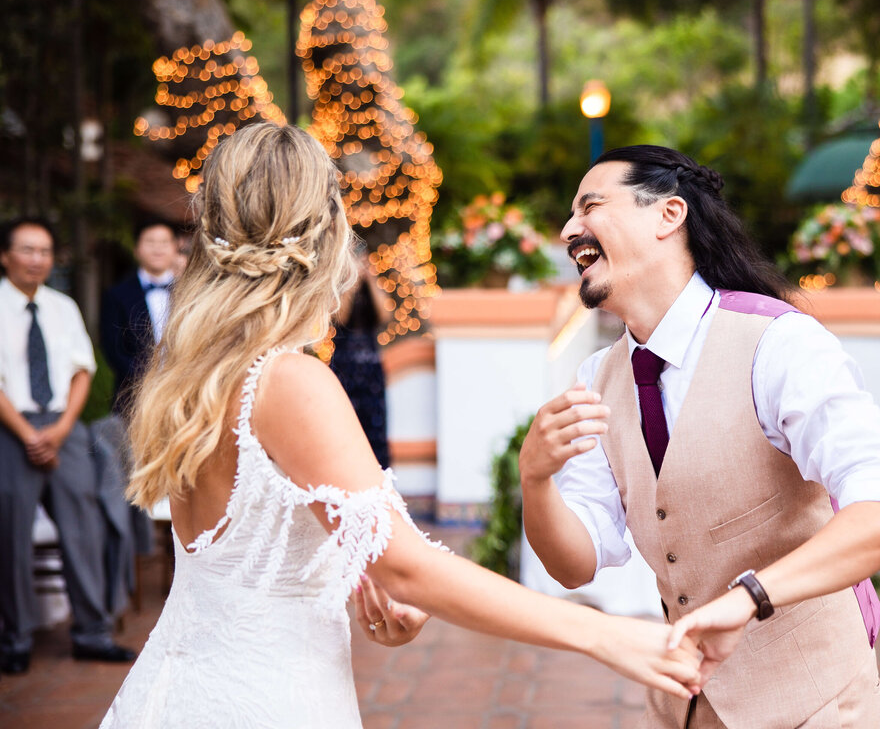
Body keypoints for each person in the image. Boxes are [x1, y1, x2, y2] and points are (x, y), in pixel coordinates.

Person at [99, 123, 702, 728]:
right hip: (263, 701)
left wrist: (359, 574)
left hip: (175, 688)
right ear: (322, 232)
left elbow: (252, 549)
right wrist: (606, 635)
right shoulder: (287, 381)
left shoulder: (192, 374)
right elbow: (408, 565)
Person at [515, 145, 880, 728]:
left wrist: (748, 600)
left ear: (669, 215)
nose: (568, 230)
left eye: (591, 206)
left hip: (813, 697)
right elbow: (574, 565)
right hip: (685, 703)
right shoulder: (596, 379)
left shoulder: (778, 343)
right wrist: (534, 480)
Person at [0, 217, 137, 674]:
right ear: (5, 255)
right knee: (11, 536)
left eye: (44, 251)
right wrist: (26, 433)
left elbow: (83, 371)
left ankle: (92, 633)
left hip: (65, 426)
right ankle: (15, 638)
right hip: (10, 428)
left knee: (85, 527)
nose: (37, 259)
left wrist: (59, 431)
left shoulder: (63, 306)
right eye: (26, 249)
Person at [101, 219, 179, 415]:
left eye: (164, 243)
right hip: (134, 397)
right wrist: (150, 380)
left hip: (184, 392)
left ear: (175, 248)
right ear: (136, 249)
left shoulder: (191, 291)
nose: (157, 249)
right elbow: (114, 349)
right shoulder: (117, 295)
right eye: (150, 242)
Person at [329, 253, 391, 468]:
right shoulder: (339, 287)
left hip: (370, 368)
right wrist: (351, 283)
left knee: (374, 425)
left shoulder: (370, 287)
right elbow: (340, 318)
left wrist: (370, 278)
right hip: (345, 366)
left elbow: (385, 315)